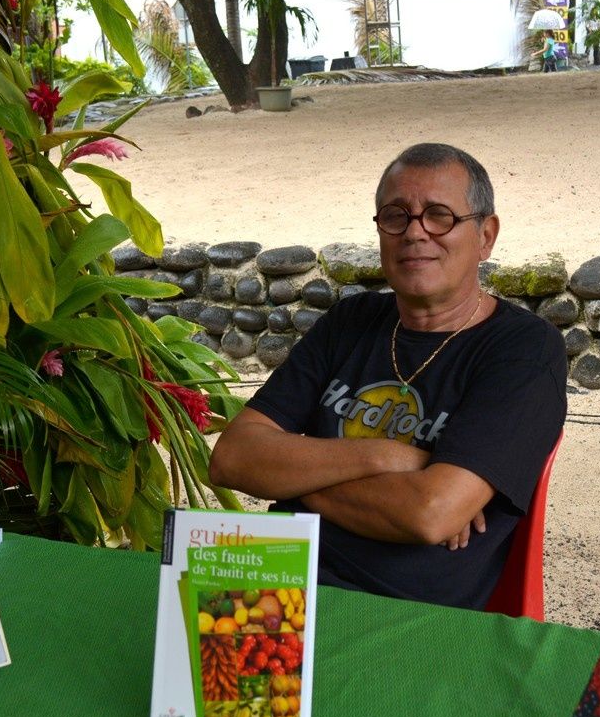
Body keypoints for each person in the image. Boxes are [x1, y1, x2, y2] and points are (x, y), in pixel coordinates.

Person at [209, 143, 567, 610]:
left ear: (485, 236)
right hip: (274, 579)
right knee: (163, 669)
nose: (415, 233)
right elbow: (232, 459)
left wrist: (294, 477)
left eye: (440, 215)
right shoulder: (351, 321)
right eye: (396, 215)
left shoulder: (523, 349)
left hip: (404, 613)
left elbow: (430, 513)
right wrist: (391, 457)